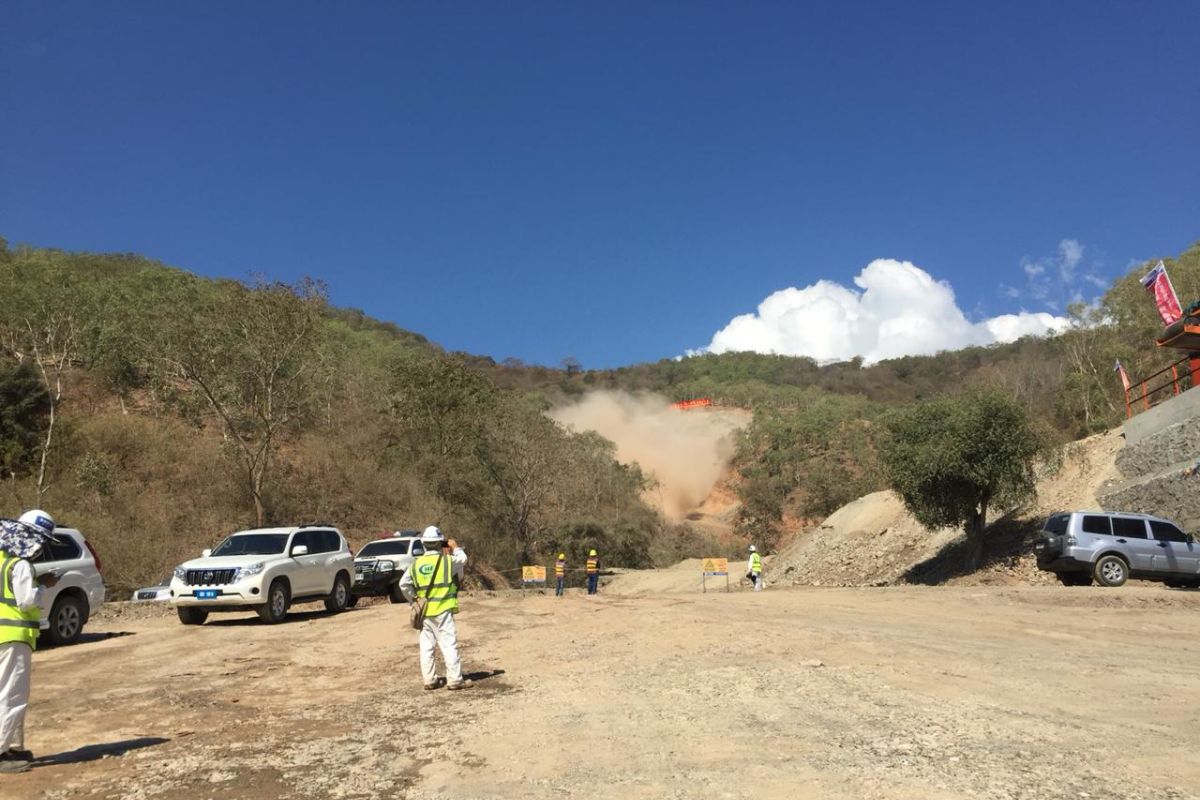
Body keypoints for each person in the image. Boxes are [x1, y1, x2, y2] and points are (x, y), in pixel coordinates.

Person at [0, 510, 59, 774]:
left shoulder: (2, 561)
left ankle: (13, 747)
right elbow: (26, 601)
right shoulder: (19, 566)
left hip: (5, 638)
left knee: (8, 694)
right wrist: (44, 586)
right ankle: (2, 752)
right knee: (12, 695)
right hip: (14, 637)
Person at [399, 526, 470, 690]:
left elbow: (403, 584)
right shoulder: (447, 561)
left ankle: (429, 680)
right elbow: (463, 559)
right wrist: (454, 547)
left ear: (423, 543)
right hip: (443, 610)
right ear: (440, 543)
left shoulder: (417, 564)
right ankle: (455, 680)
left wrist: (415, 600)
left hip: (425, 613)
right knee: (449, 645)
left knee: (426, 647)